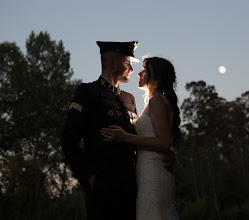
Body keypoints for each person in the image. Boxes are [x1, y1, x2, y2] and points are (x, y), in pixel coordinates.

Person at [61, 42, 174, 220]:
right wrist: (88, 177)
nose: (131, 68)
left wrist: (166, 154)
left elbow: (144, 137)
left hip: (132, 187)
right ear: (112, 62)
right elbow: (68, 140)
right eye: (128, 62)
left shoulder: (129, 99)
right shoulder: (88, 92)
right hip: (103, 188)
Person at [101, 57, 181, 220]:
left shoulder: (157, 101)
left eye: (144, 70)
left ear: (156, 77)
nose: (139, 72)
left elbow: (163, 142)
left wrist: (125, 137)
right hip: (148, 173)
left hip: (154, 176)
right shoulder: (155, 102)